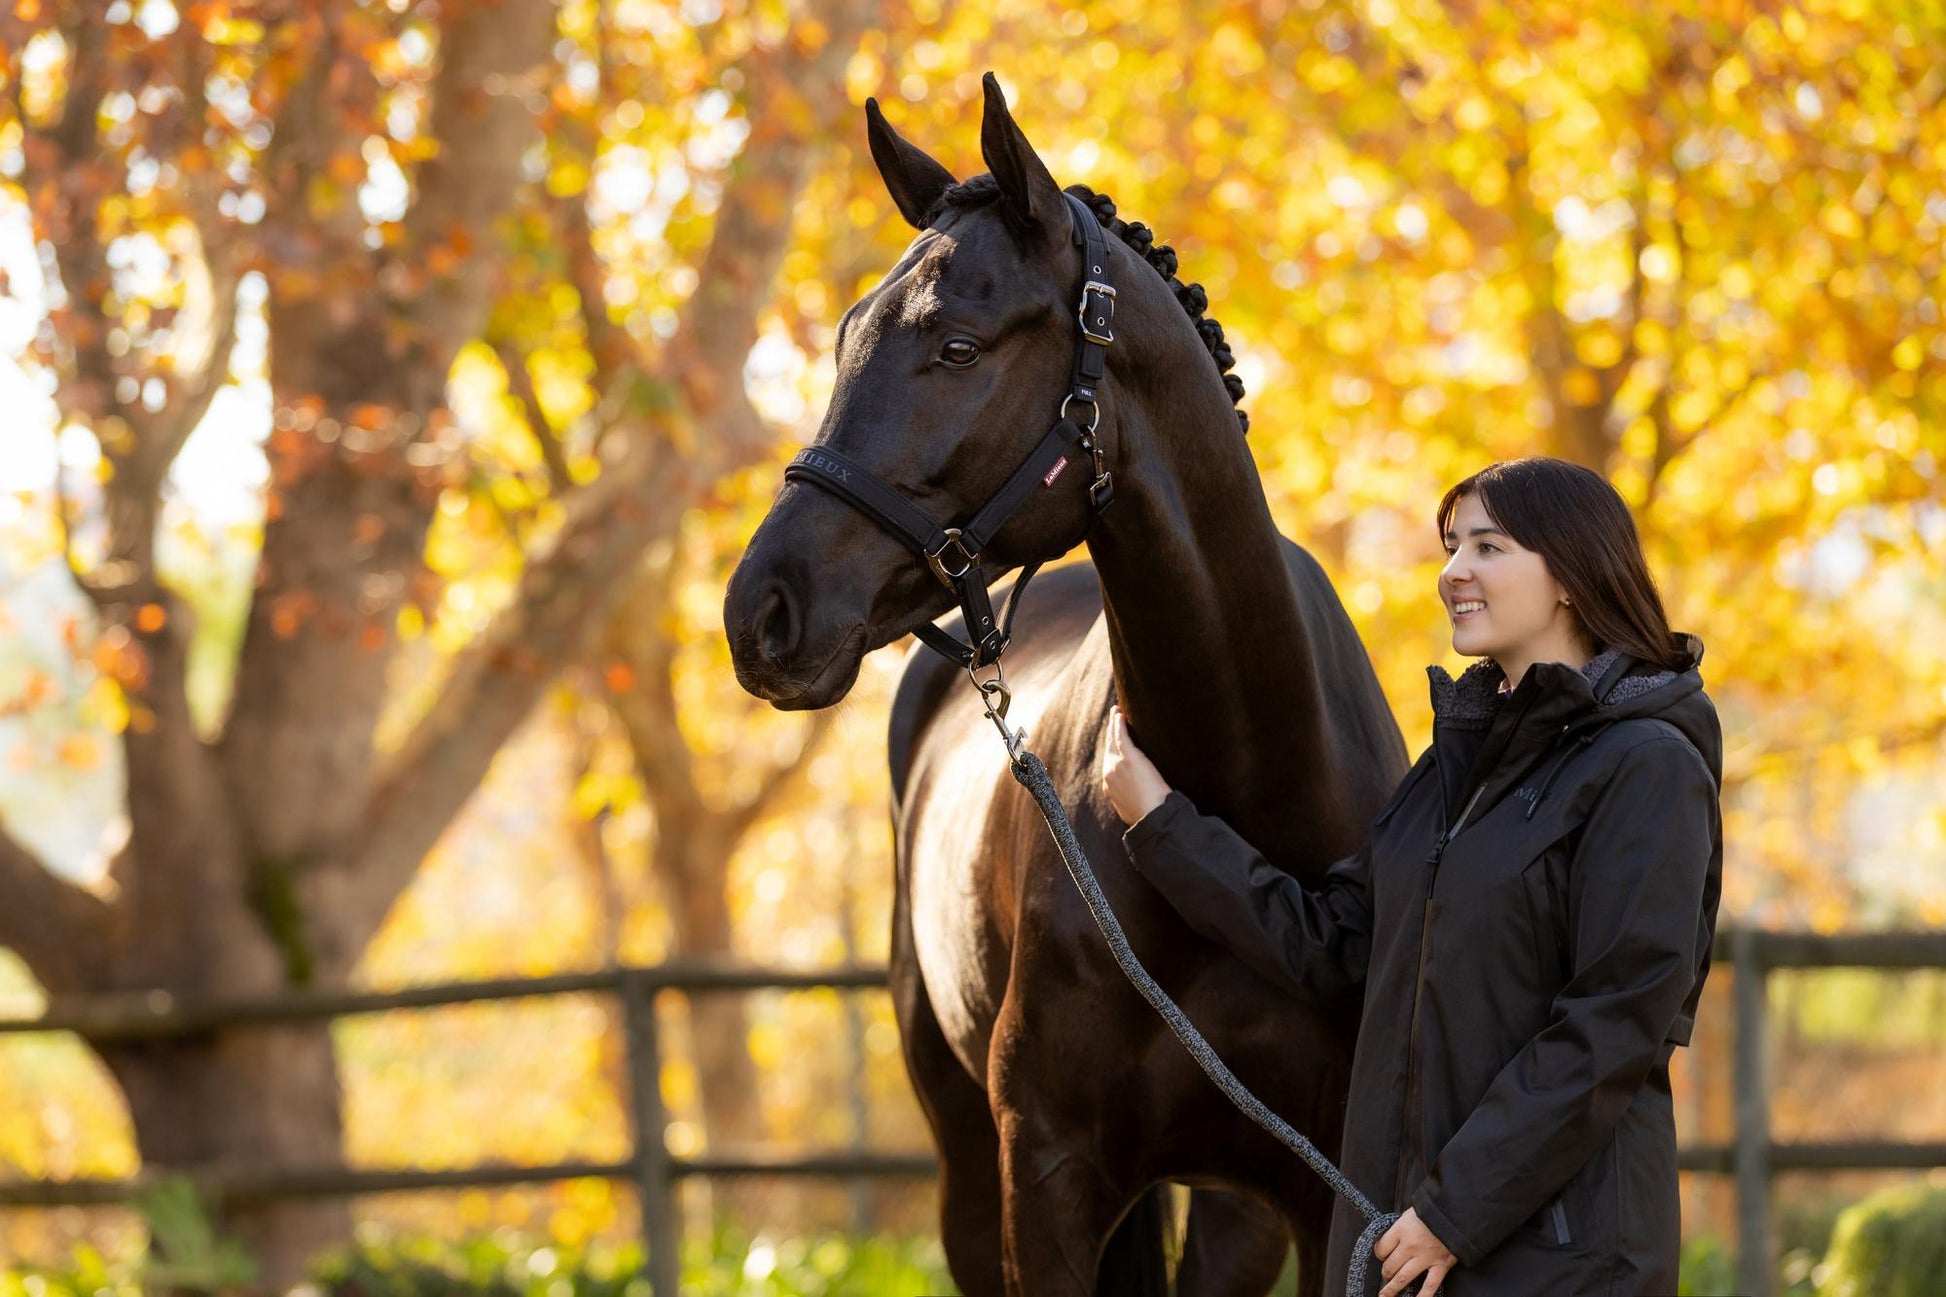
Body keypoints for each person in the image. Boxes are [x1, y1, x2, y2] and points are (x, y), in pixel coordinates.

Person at [1101, 457, 1723, 1297]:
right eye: (1451, 545)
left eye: (1488, 546)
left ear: (1572, 575)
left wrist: (1453, 1212)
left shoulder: (1647, 768)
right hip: (1405, 1245)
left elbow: (1612, 1024)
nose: (1454, 572)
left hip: (1558, 1262)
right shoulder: (1450, 771)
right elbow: (1334, 943)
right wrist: (1164, 825)